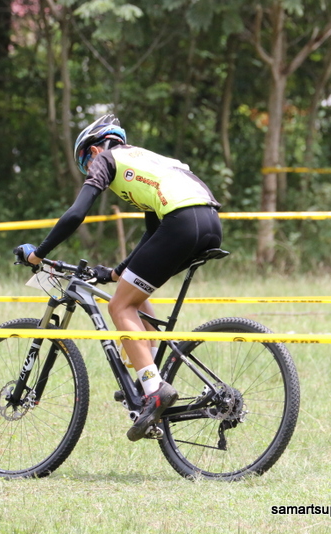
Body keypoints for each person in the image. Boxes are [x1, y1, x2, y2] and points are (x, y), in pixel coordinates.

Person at [14, 114, 223, 441]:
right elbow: (152, 234)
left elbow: (76, 214)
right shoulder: (147, 162)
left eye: (85, 162)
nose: (89, 170)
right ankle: (150, 377)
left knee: (119, 307)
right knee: (135, 296)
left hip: (182, 221)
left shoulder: (107, 159)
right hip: (209, 222)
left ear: (95, 149)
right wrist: (115, 272)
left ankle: (154, 389)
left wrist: (38, 254)